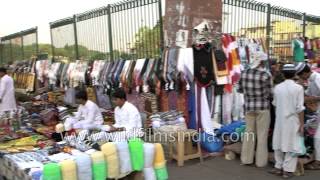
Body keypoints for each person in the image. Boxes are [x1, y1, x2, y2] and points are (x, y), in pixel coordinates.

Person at [270, 64, 305, 178]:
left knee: (278, 142)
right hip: (292, 120)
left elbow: (275, 104)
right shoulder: (299, 88)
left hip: (280, 119)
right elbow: (300, 108)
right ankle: (287, 170)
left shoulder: (277, 88)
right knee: (292, 144)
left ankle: (278, 167)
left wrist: (280, 114)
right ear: (295, 74)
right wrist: (301, 124)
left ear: (283, 74)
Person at [238, 53, 272, 167]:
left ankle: (246, 159)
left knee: (249, 133)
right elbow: (270, 93)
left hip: (249, 107)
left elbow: (239, 90)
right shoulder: (266, 75)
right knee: (262, 135)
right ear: (262, 62)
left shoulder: (244, 73)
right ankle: (260, 162)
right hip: (263, 107)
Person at [296, 63, 320, 169]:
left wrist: (311, 99)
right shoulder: (310, 80)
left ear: (305, 73)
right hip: (318, 110)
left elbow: (311, 97)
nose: (301, 78)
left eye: (301, 76)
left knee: (317, 137)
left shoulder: (317, 78)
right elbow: (307, 94)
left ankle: (318, 162)